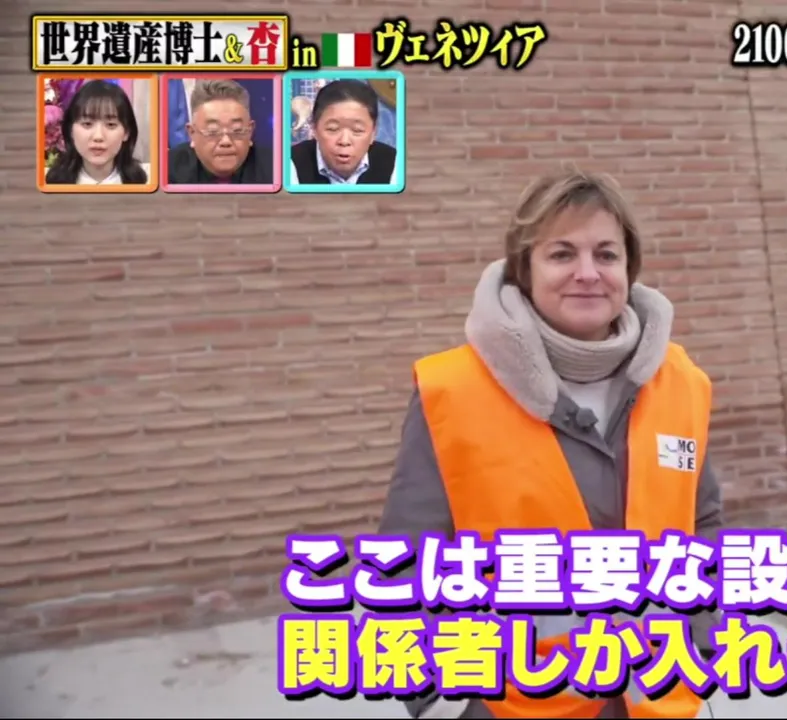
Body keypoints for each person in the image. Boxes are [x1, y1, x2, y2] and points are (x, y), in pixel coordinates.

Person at [378, 169, 722, 719]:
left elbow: (702, 526)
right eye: (562, 254)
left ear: (628, 269)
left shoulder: (680, 382)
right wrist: (444, 706)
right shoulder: (453, 392)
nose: (588, 273)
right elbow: (405, 563)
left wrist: (702, 647)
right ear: (525, 270)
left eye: (606, 255)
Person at [290, 79, 397, 185]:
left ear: (373, 132)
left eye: (357, 130)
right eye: (332, 129)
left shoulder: (396, 165)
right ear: (314, 128)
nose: (344, 141)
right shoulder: (289, 164)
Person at [44, 80, 150, 185]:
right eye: (87, 124)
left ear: (126, 132)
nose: (98, 136)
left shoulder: (147, 181)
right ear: (70, 130)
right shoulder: (48, 182)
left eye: (111, 125)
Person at [167, 79, 272, 184]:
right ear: (192, 133)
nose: (226, 141)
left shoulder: (275, 167)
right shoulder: (167, 169)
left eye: (237, 130)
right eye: (213, 131)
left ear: (250, 131)